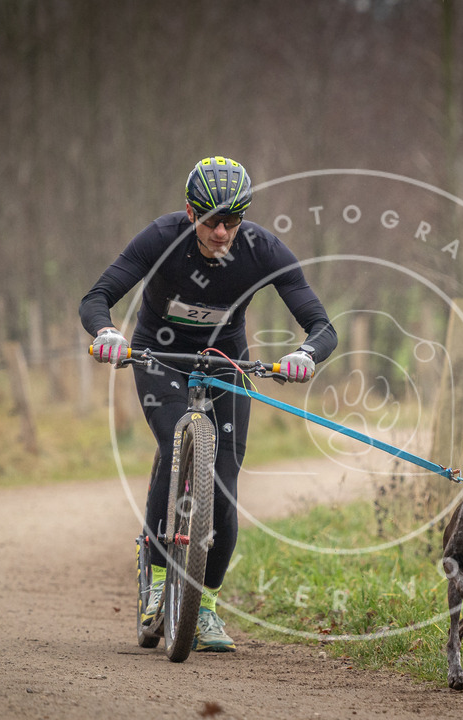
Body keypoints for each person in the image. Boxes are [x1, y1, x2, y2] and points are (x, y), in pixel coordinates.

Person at [79, 156, 337, 651]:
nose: (222, 232)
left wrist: (305, 354)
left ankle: (209, 607)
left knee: (223, 480)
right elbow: (98, 296)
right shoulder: (161, 237)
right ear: (189, 211)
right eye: (211, 219)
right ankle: (156, 581)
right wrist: (107, 331)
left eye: (233, 221)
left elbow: (322, 325)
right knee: (176, 439)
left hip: (225, 358)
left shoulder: (263, 250)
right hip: (160, 352)